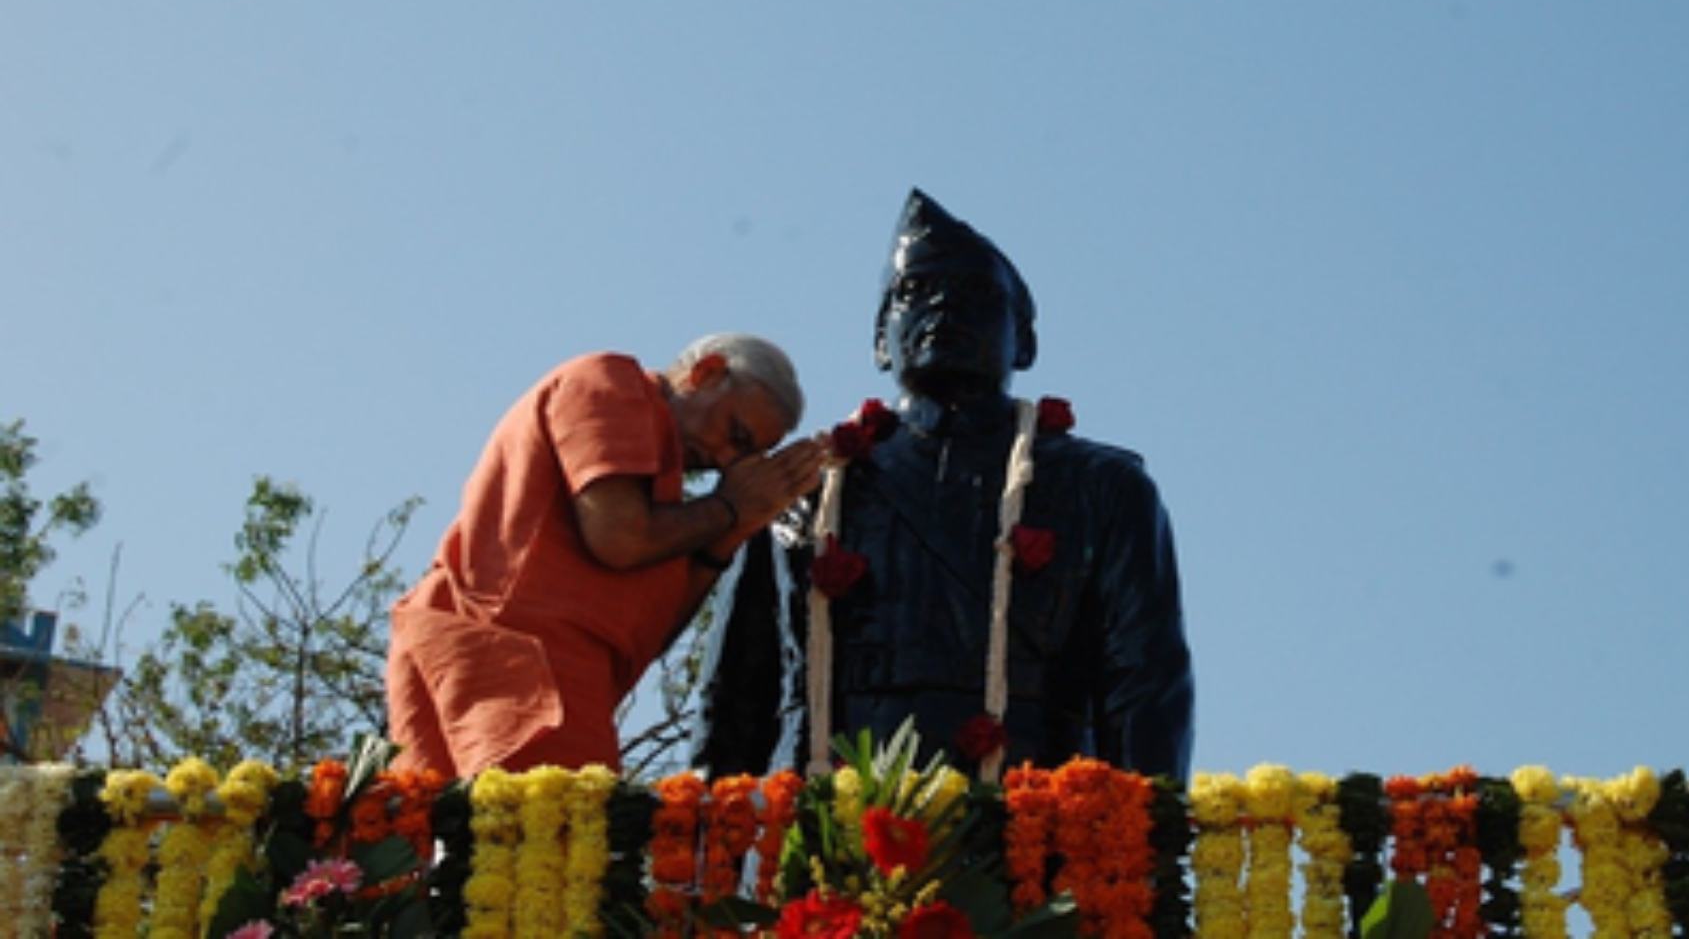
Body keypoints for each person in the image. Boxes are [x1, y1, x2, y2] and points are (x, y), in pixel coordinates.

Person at [695, 191, 1194, 780]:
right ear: (881, 339)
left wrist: (1141, 849)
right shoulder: (799, 490)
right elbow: (734, 703)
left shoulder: (1103, 487)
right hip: (823, 822)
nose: (943, 308)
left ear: (1025, 341)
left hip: (1030, 821)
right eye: (913, 293)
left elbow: (1145, 686)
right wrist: (710, 856)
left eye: (975, 296)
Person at [386, 334, 827, 776]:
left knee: (476, 838)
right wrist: (727, 508)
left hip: (543, 679)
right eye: (735, 435)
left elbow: (651, 636)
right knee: (542, 836)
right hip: (513, 665)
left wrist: (731, 533)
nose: (725, 461)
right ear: (706, 373)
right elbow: (619, 539)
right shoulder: (610, 381)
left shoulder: (669, 503)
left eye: (745, 456)